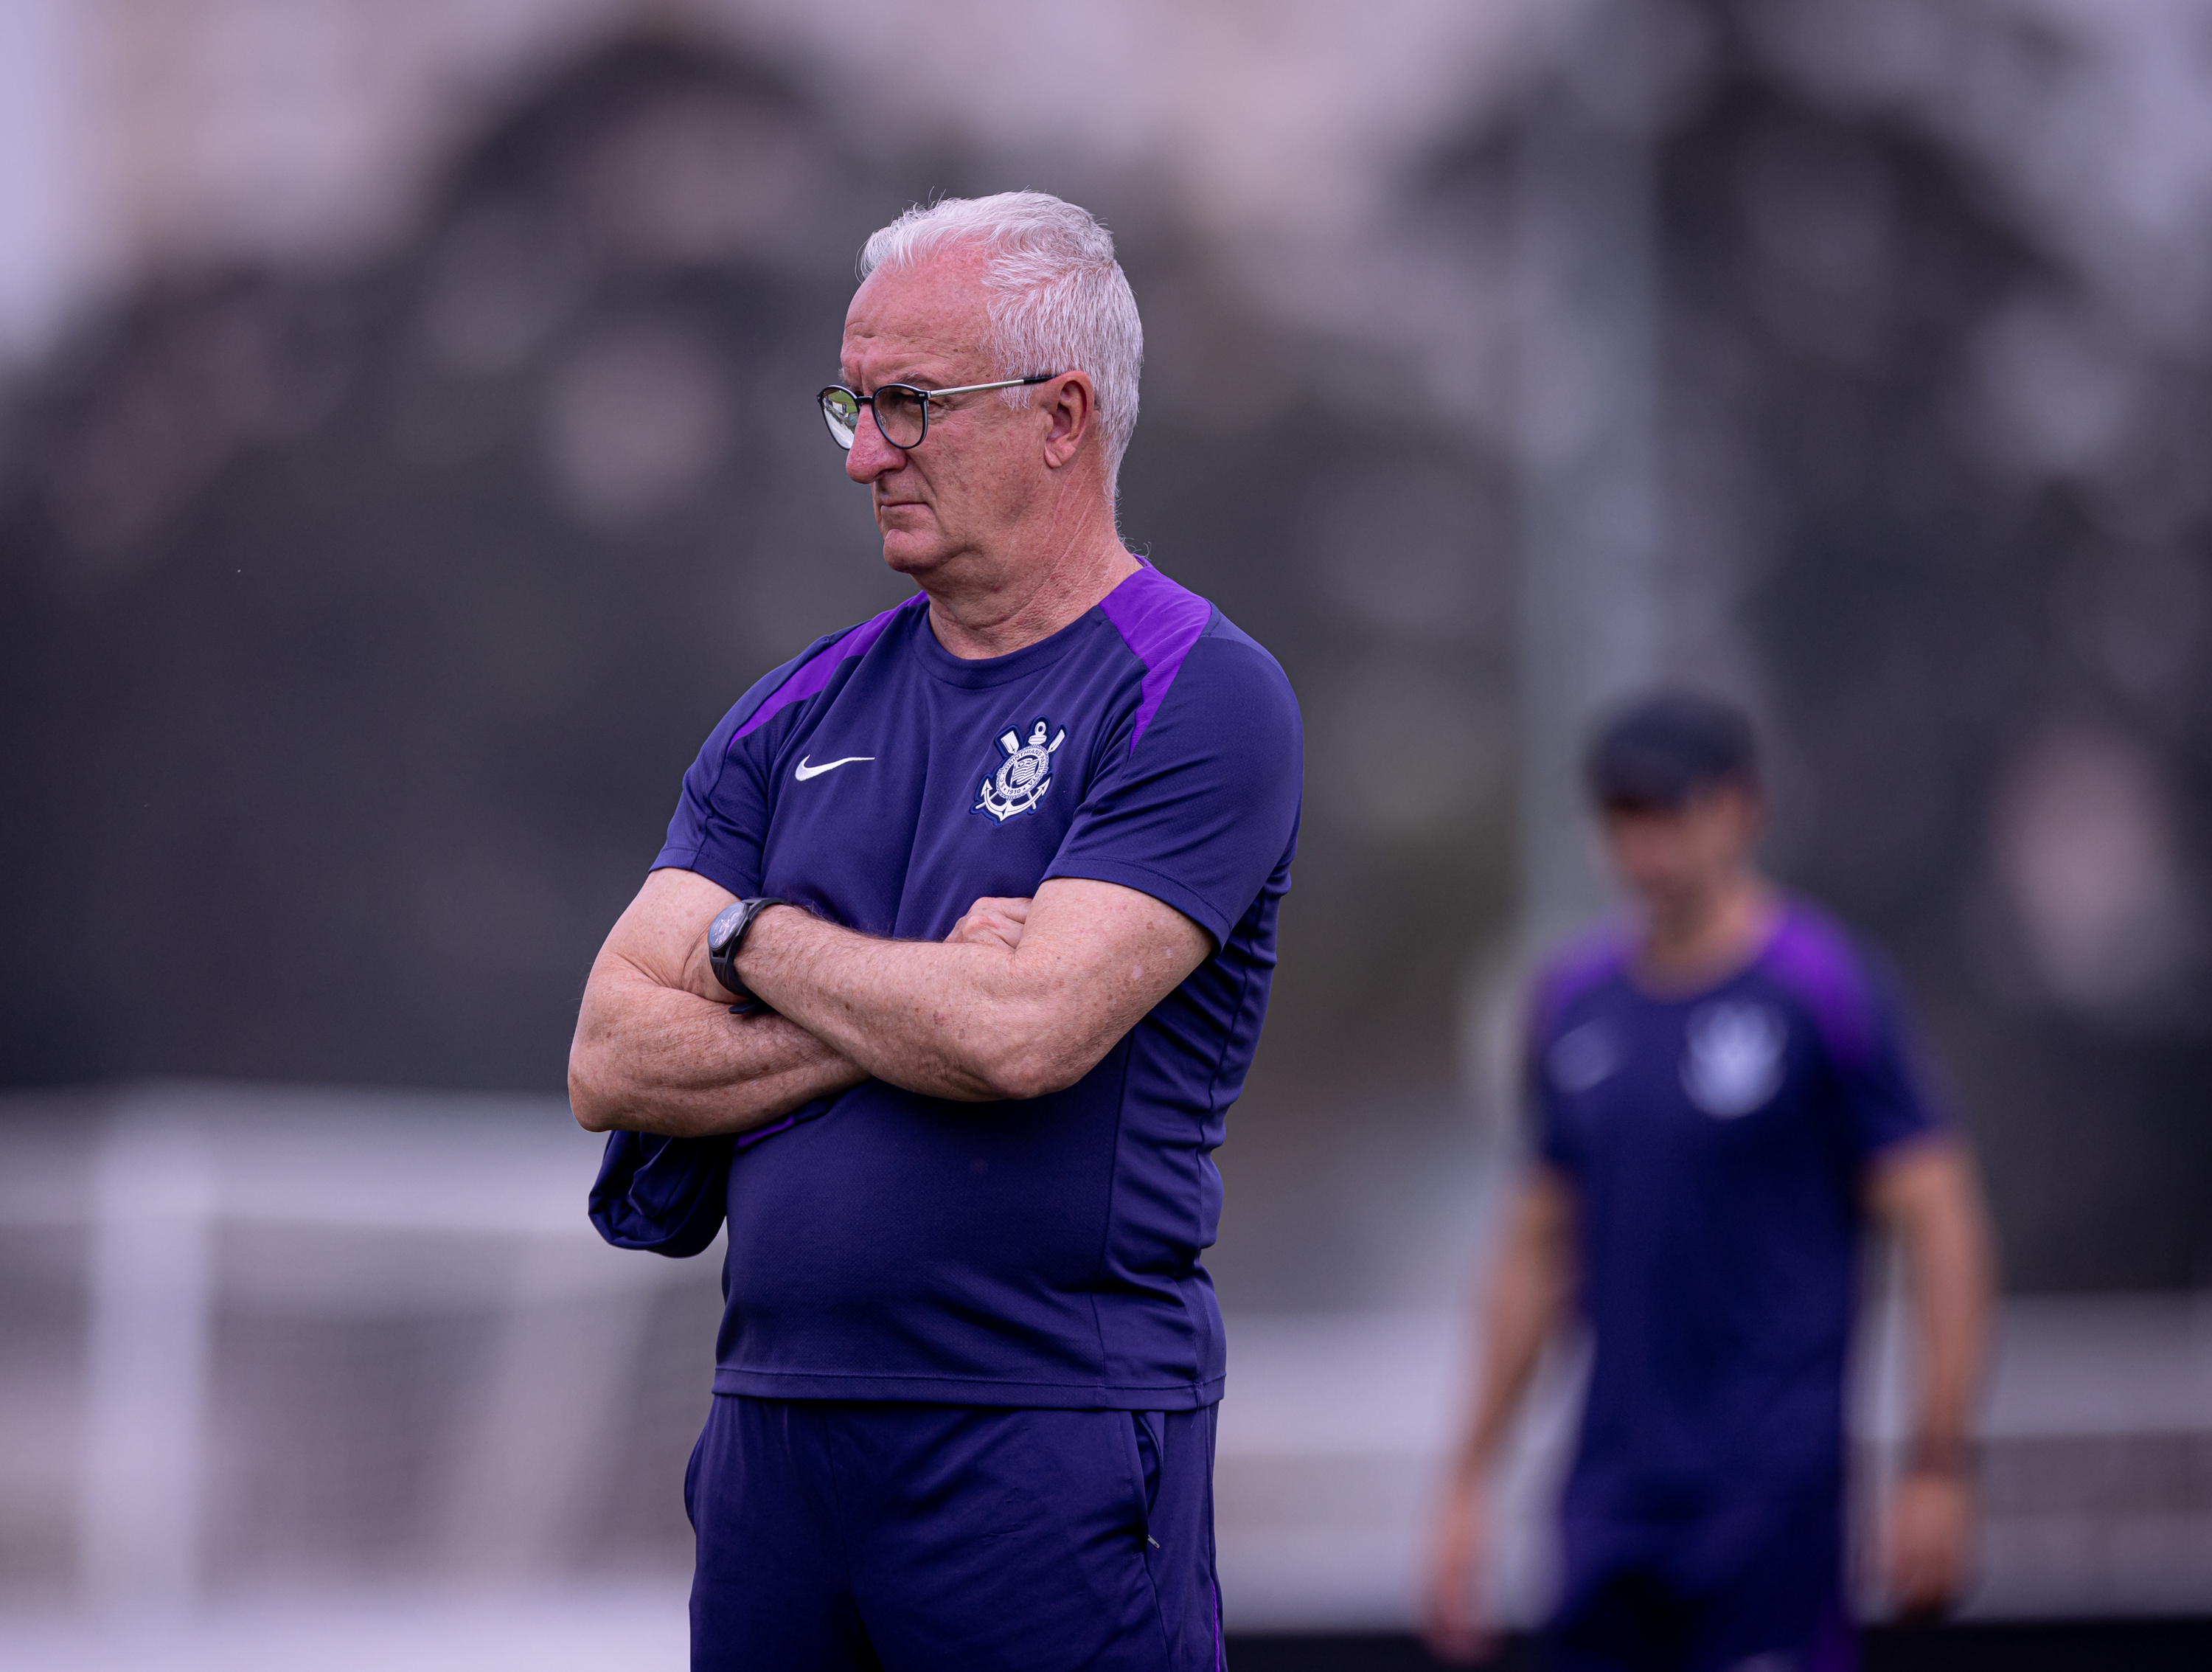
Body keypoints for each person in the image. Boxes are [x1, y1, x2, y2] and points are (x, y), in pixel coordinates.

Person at [567, 192, 1301, 1672]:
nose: (862, 454)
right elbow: (607, 1057)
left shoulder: (1202, 696)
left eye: (910, 405)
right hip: (774, 1436)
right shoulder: (791, 710)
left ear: (1061, 416)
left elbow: (1024, 1035)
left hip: (1044, 1439)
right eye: (855, 400)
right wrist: (889, 1007)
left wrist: (744, 940)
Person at [1423, 690, 1995, 1671]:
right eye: (1623, 816)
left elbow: (1941, 1220)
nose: (1646, 847)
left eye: (1669, 812)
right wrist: (1470, 1481)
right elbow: (1534, 1254)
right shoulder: (1572, 1004)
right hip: (1610, 1501)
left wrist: (1938, 1463)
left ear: (1743, 809)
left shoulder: (1824, 990)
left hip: (1771, 1503)